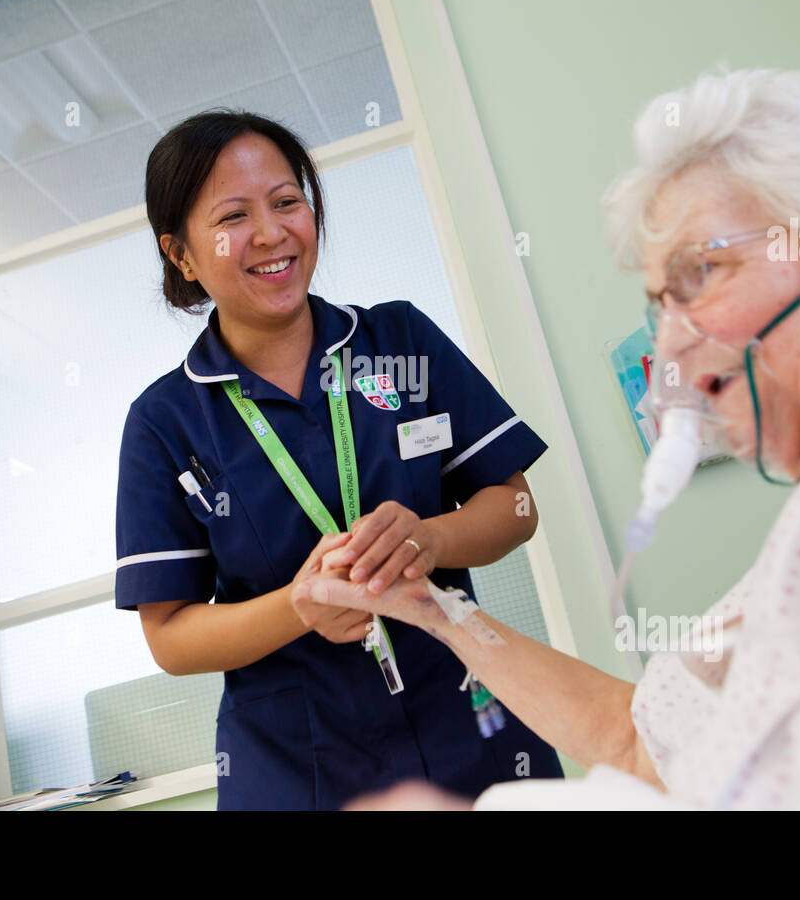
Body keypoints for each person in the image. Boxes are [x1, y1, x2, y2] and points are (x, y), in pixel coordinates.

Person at [295, 56, 800, 809]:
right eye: (659, 304)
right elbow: (634, 743)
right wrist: (435, 610)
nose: (666, 346)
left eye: (700, 275)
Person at [113, 110, 564, 809]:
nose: (271, 233)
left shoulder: (400, 340)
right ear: (182, 256)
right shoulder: (164, 422)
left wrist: (430, 535)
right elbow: (170, 637)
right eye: (234, 215)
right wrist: (300, 605)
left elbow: (518, 506)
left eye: (288, 201)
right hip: (297, 770)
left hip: (471, 722)